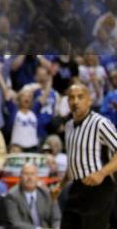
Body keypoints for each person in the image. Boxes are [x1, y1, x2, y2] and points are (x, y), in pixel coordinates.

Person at [55, 83, 117, 229]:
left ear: (89, 100)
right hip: (77, 187)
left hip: (99, 188)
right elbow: (74, 162)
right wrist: (61, 185)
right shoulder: (69, 126)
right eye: (71, 98)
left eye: (80, 97)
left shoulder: (100, 123)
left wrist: (102, 173)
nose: (75, 101)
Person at [5, 163, 61, 228]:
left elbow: (56, 218)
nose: (29, 177)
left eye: (32, 174)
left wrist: (57, 227)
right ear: (20, 177)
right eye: (26, 174)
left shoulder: (47, 194)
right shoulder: (12, 196)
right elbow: (16, 223)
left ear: (37, 177)